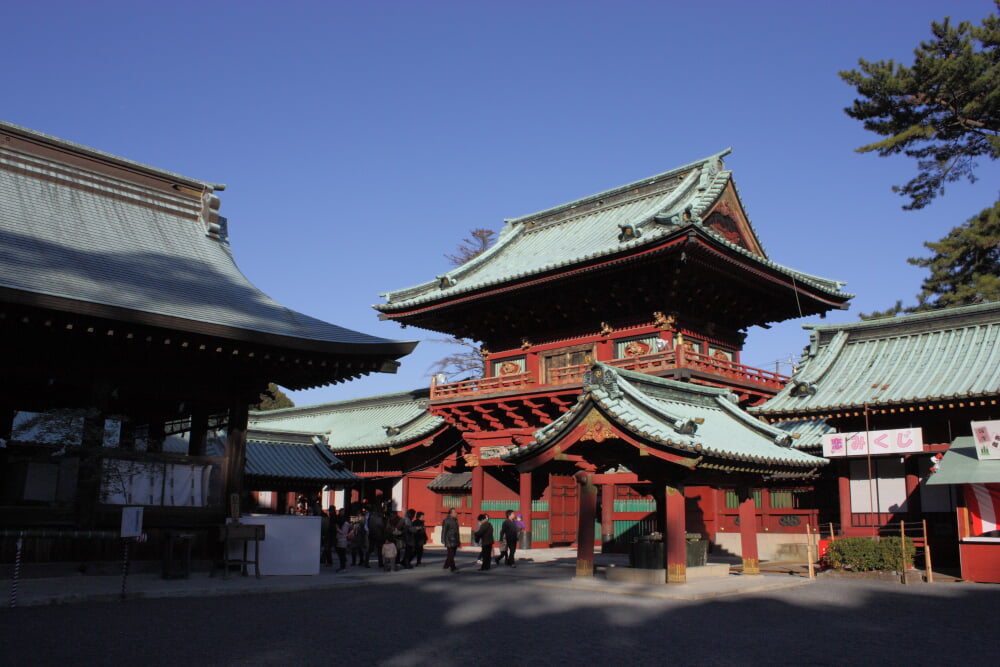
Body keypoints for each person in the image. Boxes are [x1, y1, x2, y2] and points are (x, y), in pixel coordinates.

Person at [441, 508, 460, 572]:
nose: (456, 513)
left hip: (455, 539)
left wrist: (458, 541)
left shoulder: (455, 520)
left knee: (452, 554)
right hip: (449, 539)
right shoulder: (446, 521)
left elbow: (457, 532)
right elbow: (444, 531)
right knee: (451, 554)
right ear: (450, 513)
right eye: (454, 512)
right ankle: (453, 567)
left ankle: (446, 565)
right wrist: (443, 539)